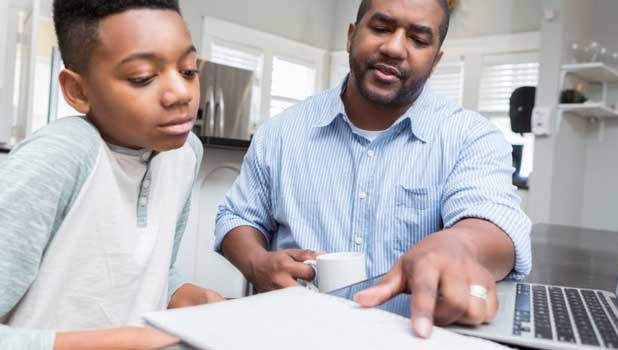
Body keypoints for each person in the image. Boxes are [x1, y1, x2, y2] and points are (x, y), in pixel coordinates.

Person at [0, 1, 223, 349]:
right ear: (78, 91)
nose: (181, 92)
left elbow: (148, 267)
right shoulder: (63, 155)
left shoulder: (186, 153)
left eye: (188, 70)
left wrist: (179, 291)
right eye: (143, 77)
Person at [215, 0, 532, 339]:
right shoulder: (280, 133)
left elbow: (495, 226)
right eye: (381, 28)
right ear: (351, 36)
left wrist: (457, 247)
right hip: (290, 337)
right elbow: (237, 217)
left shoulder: (471, 137)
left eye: (418, 39)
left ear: (436, 60)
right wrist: (255, 262)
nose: (394, 48)